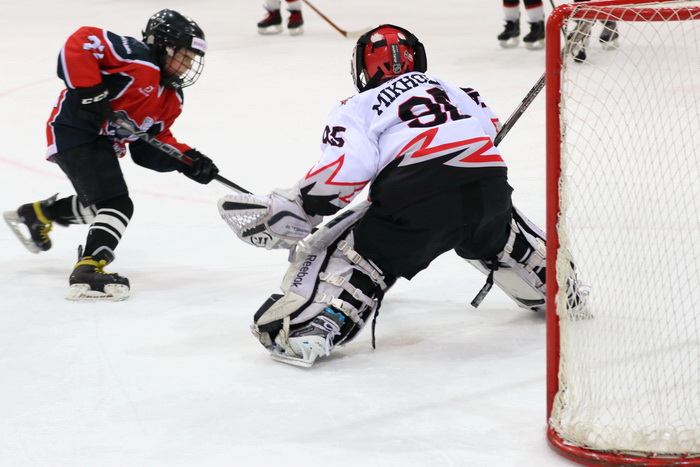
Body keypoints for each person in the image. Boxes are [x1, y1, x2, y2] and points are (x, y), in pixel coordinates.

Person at [218, 24, 577, 368]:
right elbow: (490, 128)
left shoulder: (356, 105)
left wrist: (300, 207)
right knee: (495, 226)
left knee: (345, 247)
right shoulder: (455, 89)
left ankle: (310, 325)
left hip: (418, 195)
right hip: (490, 185)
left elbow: (347, 168)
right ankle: (556, 283)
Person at [3, 9, 219, 301]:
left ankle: (39, 213)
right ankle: (89, 268)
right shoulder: (136, 57)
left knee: (100, 206)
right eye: (183, 55)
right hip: (75, 131)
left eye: (191, 59)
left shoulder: (171, 98)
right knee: (116, 204)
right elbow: (81, 41)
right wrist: (90, 90)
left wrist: (188, 160)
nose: (186, 65)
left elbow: (149, 143)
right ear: (162, 45)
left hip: (99, 142)